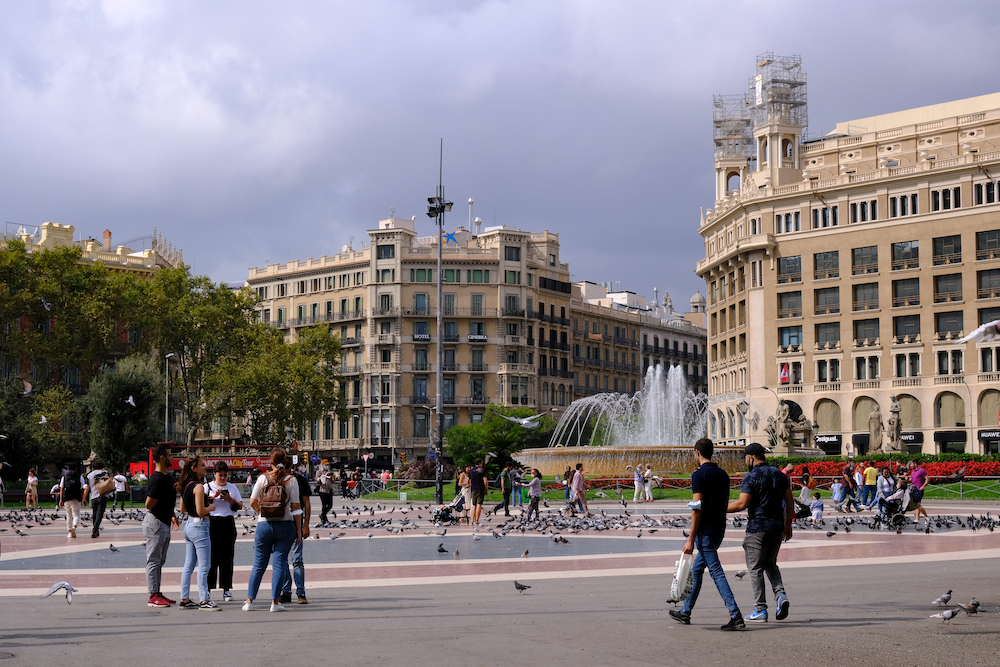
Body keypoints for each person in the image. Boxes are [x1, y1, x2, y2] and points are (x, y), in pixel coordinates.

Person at [669, 438, 744, 631]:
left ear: (697, 452)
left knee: (716, 572)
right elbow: (725, 504)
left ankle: (735, 615)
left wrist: (691, 538)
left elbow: (697, 508)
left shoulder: (699, 475)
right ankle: (685, 612)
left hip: (706, 531)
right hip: (719, 528)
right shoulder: (723, 474)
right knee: (696, 570)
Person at [727, 443, 793, 624]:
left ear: (751, 457)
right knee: (771, 564)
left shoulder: (751, 476)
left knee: (755, 568)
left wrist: (719, 509)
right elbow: (789, 500)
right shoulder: (779, 474)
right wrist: (787, 525)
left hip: (757, 528)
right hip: (777, 527)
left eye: (746, 458)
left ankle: (760, 609)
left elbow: (742, 504)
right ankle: (780, 596)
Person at [244, 448, 302, 613]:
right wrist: (298, 531)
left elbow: (253, 501)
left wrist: (262, 513)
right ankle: (275, 603)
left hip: (264, 526)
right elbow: (296, 507)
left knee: (258, 565)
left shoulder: (262, 478)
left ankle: (249, 601)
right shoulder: (291, 480)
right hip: (285, 526)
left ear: (271, 462)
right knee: (279, 565)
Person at [177, 456, 220, 611]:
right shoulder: (199, 486)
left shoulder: (185, 486)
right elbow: (201, 511)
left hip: (189, 526)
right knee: (204, 565)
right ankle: (204, 600)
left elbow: (183, 509)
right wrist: (211, 507)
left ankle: (185, 598)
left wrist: (207, 500)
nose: (205, 467)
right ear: (193, 468)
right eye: (202, 465)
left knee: (189, 564)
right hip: (200, 527)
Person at [145, 444, 179, 607]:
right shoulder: (157, 478)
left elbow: (168, 500)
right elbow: (149, 503)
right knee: (154, 559)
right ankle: (153, 595)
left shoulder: (168, 476)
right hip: (155, 522)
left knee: (160, 559)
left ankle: (157, 592)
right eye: (170, 455)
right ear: (162, 458)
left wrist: (171, 515)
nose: (172, 458)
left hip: (164, 520)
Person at [206, 461, 243, 603]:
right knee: (211, 558)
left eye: (225, 475)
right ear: (214, 474)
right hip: (212, 522)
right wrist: (212, 497)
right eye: (220, 475)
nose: (222, 478)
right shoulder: (207, 487)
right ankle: (208, 589)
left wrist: (229, 498)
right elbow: (201, 503)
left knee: (227, 557)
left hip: (227, 522)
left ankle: (226, 588)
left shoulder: (232, 487)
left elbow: (240, 505)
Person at [280, 463, 312, 605]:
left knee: (297, 560)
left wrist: (306, 525)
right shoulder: (274, 480)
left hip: (295, 524)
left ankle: (300, 593)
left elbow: (307, 503)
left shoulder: (299, 480)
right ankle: (286, 592)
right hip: (279, 524)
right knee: (282, 561)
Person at [59, 463, 87, 538]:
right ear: (76, 469)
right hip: (76, 498)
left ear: (68, 469)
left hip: (67, 498)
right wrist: (83, 498)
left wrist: (61, 500)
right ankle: (74, 527)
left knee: (68, 515)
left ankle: (69, 532)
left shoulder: (64, 478)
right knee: (76, 515)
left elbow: (61, 489)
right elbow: (83, 488)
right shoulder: (80, 477)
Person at [87, 461, 113, 538]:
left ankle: (96, 529)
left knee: (94, 514)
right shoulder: (105, 472)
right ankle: (95, 529)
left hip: (93, 497)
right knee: (99, 514)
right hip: (103, 495)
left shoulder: (89, 475)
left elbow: (87, 486)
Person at [468, 459, 487, 525]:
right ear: (479, 463)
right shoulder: (482, 470)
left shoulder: (471, 470)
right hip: (480, 489)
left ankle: (472, 519)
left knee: (474, 505)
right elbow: (485, 481)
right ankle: (477, 520)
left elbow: (468, 480)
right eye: (481, 463)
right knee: (479, 504)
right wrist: (486, 489)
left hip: (473, 489)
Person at [315, 460, 334, 524]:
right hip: (322, 490)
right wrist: (324, 475)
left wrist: (333, 477)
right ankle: (324, 518)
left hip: (329, 490)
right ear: (322, 465)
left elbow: (332, 481)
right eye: (325, 465)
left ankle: (322, 515)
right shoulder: (319, 472)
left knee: (330, 505)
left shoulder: (330, 471)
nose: (326, 466)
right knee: (324, 505)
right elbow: (317, 479)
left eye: (327, 465)